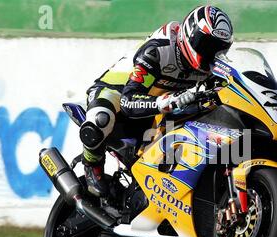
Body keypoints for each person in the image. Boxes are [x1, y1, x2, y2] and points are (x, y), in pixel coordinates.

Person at [79, 5, 234, 196]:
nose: (211, 53)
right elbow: (128, 101)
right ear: (190, 35)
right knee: (101, 118)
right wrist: (166, 101)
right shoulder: (159, 51)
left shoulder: (212, 67)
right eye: (206, 45)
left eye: (218, 49)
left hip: (162, 108)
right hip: (116, 92)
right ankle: (91, 165)